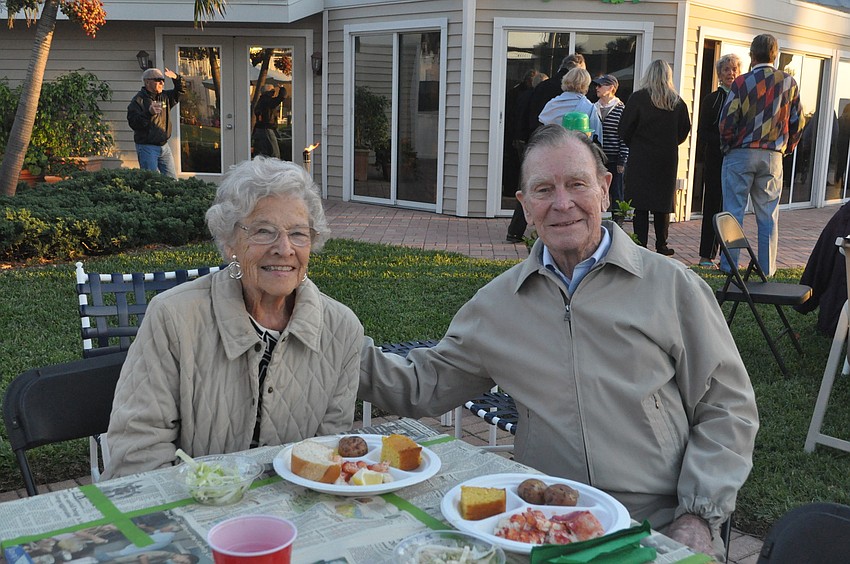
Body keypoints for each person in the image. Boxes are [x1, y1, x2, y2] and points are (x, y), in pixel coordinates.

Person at [359, 125, 759, 561]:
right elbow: (423, 383)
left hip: (658, 519)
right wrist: (332, 342)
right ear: (525, 206)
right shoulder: (499, 305)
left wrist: (698, 515)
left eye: (576, 184)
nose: (562, 203)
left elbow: (727, 407)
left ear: (605, 189)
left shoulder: (671, 286)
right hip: (545, 521)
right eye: (544, 189)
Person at [102, 157, 364, 479]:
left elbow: (326, 454)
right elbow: (137, 453)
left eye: (298, 233)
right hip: (196, 510)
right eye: (264, 232)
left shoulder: (342, 329)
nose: (284, 249)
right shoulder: (173, 318)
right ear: (229, 243)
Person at [719, 33, 803, 276]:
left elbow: (727, 120)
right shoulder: (789, 83)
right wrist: (787, 148)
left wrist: (728, 146)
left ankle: (730, 266)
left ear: (751, 55)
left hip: (741, 153)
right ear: (775, 55)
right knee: (768, 215)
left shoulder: (741, 83)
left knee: (733, 211)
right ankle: (767, 269)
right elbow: (798, 121)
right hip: (772, 155)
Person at [507, 54, 585, 243]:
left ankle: (516, 230)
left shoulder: (542, 87)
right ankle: (561, 228)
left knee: (533, 186)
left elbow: (531, 114)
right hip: (567, 147)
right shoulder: (580, 97)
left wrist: (525, 139)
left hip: (538, 142)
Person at [619, 59, 691, 255]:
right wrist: (669, 143)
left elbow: (624, 128)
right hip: (666, 158)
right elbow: (684, 130)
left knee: (640, 204)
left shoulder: (638, 99)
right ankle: (662, 244)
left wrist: (635, 144)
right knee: (662, 203)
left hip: (641, 157)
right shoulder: (677, 102)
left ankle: (640, 243)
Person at [696, 54, 742, 268]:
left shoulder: (744, 99)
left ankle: (728, 257)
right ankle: (706, 255)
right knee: (712, 206)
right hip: (715, 160)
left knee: (731, 208)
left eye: (734, 69)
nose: (731, 73)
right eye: (726, 70)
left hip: (737, 161)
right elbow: (703, 132)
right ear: (719, 75)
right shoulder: (712, 100)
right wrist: (724, 141)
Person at [127, 68, 186, 178]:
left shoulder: (165, 97)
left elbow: (181, 92)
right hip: (147, 147)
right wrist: (148, 113)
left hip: (164, 146)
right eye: (157, 80)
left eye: (162, 80)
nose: (161, 83)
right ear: (147, 82)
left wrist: (176, 78)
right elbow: (134, 123)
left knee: (172, 180)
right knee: (151, 181)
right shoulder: (138, 100)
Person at [593, 74, 629, 219]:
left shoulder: (621, 109)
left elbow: (624, 136)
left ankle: (618, 222)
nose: (597, 88)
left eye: (600, 85)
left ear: (611, 88)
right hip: (596, 157)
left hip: (614, 157)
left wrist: (622, 160)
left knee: (616, 192)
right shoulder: (593, 107)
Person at [537, 68, 603, 144]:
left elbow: (540, 132)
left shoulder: (552, 104)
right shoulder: (590, 108)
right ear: (586, 85)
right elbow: (597, 139)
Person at [252, 83, 287, 159]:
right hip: (266, 128)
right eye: (273, 90)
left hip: (260, 128)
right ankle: (275, 168)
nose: (274, 92)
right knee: (274, 152)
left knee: (263, 152)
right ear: (268, 92)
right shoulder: (267, 101)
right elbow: (281, 97)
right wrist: (282, 88)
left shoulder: (261, 101)